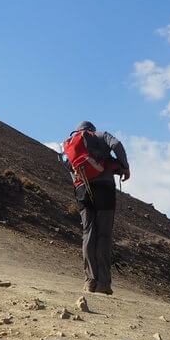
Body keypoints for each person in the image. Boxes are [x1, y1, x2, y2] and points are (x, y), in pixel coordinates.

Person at [63, 120, 130, 294]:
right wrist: (125, 166)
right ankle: (103, 284)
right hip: (105, 189)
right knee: (104, 235)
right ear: (91, 129)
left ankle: (89, 282)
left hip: (82, 190)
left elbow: (69, 167)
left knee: (88, 233)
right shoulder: (100, 135)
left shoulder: (69, 144)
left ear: (77, 131)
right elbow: (117, 145)